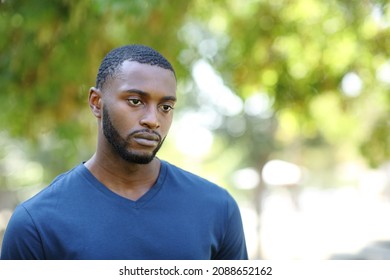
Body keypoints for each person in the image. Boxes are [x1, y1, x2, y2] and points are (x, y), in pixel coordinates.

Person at [0, 44, 248, 260]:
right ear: (97, 103)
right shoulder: (36, 224)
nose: (153, 120)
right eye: (135, 101)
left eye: (165, 106)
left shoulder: (217, 209)